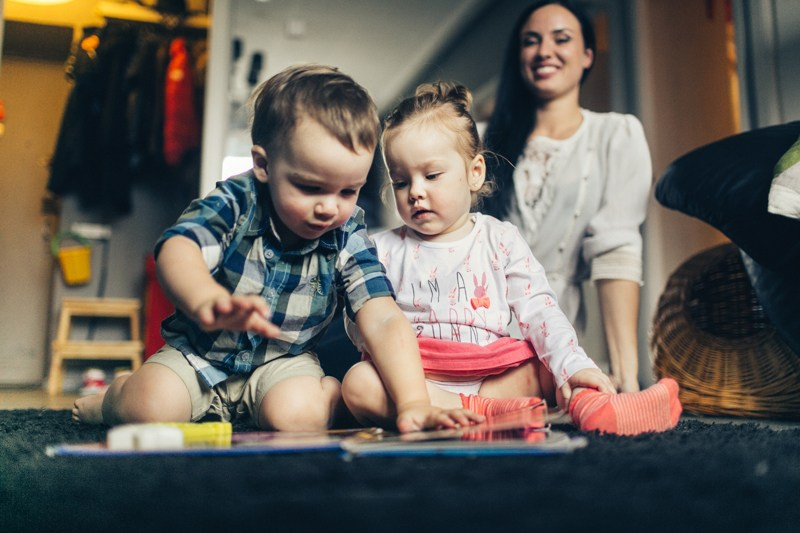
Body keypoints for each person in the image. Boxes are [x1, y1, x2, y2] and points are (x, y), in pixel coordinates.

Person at [72, 64, 482, 433]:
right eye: (309, 187)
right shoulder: (237, 202)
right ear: (264, 166)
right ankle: (113, 397)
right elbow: (177, 249)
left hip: (282, 363)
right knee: (147, 408)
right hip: (199, 354)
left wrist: (413, 403)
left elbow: (383, 318)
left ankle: (321, 394)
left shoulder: (346, 231)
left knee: (299, 417)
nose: (328, 207)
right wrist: (205, 297)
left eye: (348, 191)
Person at [341, 81, 681, 436]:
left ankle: (599, 409)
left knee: (550, 368)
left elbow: (539, 309)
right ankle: (490, 416)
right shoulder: (381, 248)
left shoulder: (499, 239)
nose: (416, 192)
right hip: (418, 384)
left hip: (495, 376)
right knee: (358, 383)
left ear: (475, 173)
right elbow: (361, 320)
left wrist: (572, 365)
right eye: (400, 182)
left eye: (431, 175)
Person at [482, 0, 651, 392]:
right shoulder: (481, 139)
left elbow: (616, 251)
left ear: (587, 55)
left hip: (565, 337)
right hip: (479, 331)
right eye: (531, 41)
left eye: (561, 39)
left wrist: (626, 372)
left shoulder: (616, 135)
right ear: (519, 56)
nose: (544, 51)